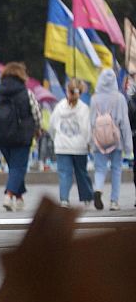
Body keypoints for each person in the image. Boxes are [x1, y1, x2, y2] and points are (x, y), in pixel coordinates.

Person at [0, 62, 42, 212]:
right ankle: (8, 196)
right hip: (22, 137)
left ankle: (19, 198)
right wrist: (38, 128)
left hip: (2, 137)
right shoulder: (26, 93)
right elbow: (37, 113)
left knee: (14, 167)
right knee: (18, 168)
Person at [89, 67, 132, 210]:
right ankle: (114, 201)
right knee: (116, 169)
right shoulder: (119, 98)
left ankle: (98, 189)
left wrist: (90, 142)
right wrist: (128, 146)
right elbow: (125, 123)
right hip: (116, 139)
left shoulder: (94, 98)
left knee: (100, 168)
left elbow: (91, 122)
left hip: (99, 140)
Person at [50, 79, 95, 208]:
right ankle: (87, 197)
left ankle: (64, 199)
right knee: (81, 172)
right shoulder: (84, 108)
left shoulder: (59, 107)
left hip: (62, 146)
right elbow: (87, 129)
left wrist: (56, 139)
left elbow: (52, 126)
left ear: (66, 91)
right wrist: (88, 143)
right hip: (79, 146)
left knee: (64, 173)